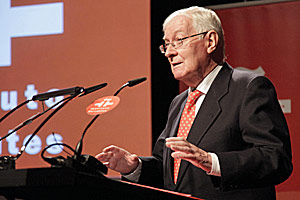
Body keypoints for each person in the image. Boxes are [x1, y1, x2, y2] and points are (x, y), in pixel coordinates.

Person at [96, 6, 293, 200]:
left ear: (210, 41)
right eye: (166, 44)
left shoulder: (248, 88)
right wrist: (135, 166)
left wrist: (212, 162)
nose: (168, 53)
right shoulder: (179, 102)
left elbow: (275, 158)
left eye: (179, 41)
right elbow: (170, 171)